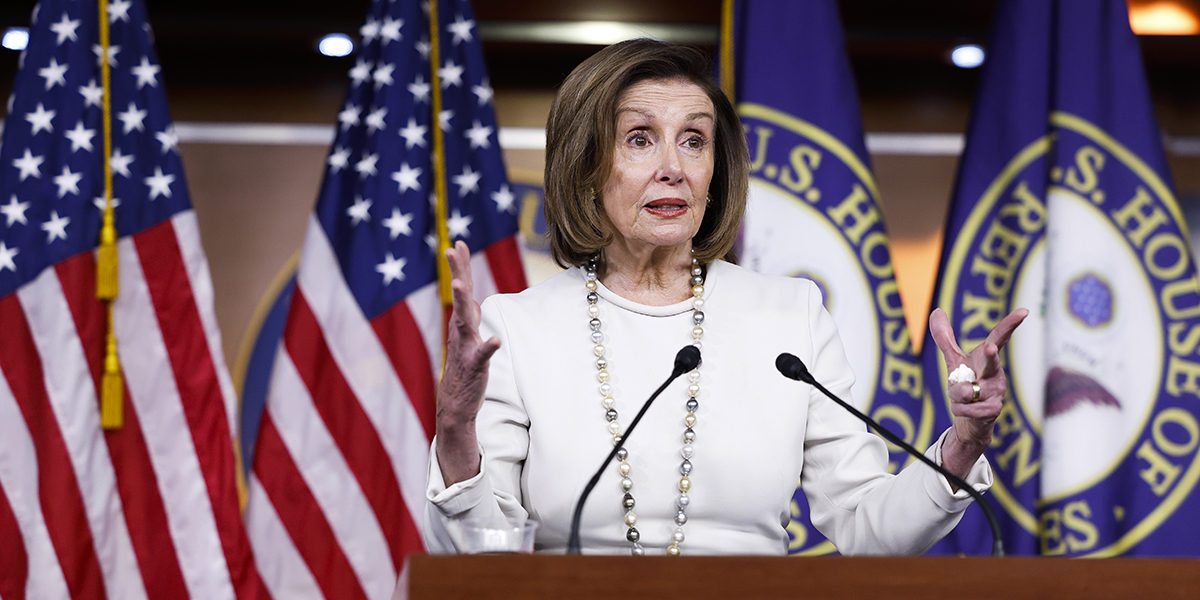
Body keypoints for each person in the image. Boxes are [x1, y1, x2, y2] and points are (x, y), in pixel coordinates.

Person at [424, 39, 1026, 556]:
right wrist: (454, 428)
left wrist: (963, 445)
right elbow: (481, 546)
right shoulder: (518, 328)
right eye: (639, 139)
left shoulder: (790, 316)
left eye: (693, 141)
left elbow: (866, 524)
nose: (673, 168)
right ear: (584, 164)